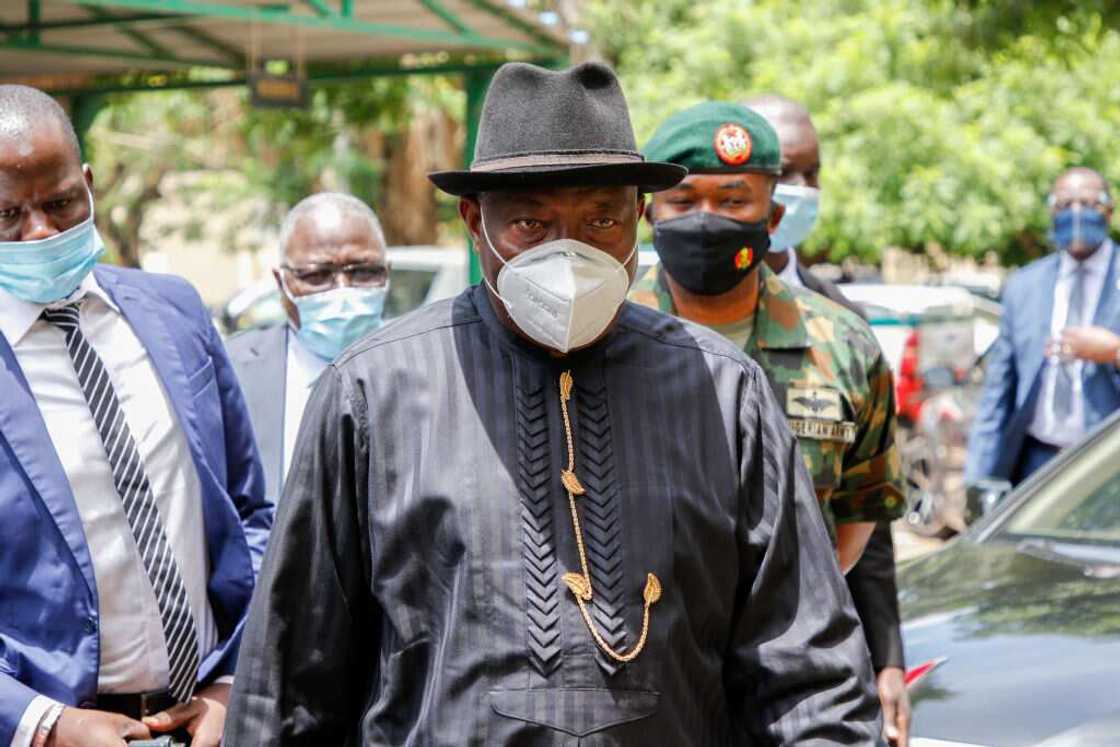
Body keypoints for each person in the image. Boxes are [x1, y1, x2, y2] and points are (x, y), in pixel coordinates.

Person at [226, 62, 880, 745]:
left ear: (639, 218)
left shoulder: (723, 393)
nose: (570, 252)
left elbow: (810, 674)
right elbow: (292, 683)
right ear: (475, 221)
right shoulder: (373, 393)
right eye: (533, 222)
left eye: (601, 218)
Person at [0, 85, 271, 747]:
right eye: (8, 214)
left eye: (61, 202)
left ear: (89, 184)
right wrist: (45, 724)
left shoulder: (174, 313)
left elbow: (253, 516)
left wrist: (233, 681)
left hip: (207, 720)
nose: (41, 231)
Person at [633, 100, 905, 571]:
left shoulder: (843, 346)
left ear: (773, 219)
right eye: (683, 200)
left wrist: (795, 605)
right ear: (648, 214)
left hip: (790, 637)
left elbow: (862, 505)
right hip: (643, 633)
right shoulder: (605, 335)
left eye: (733, 201)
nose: (706, 218)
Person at [747, 93, 912, 746]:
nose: (802, 190)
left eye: (812, 173)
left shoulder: (843, 322)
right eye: (787, 172)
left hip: (810, 649)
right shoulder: (663, 308)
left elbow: (867, 508)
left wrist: (887, 654)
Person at [227, 192, 390, 504]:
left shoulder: (430, 367)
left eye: (363, 271)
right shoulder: (232, 373)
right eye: (317, 275)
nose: (343, 290)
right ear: (281, 282)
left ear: (387, 271)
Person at [967, 167, 1120, 485]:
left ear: (1109, 209)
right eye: (1064, 205)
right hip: (1038, 464)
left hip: (1110, 467)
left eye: (1088, 204)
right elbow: (998, 392)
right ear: (1051, 211)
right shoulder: (1024, 286)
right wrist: (978, 481)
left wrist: (1115, 352)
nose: (1076, 214)